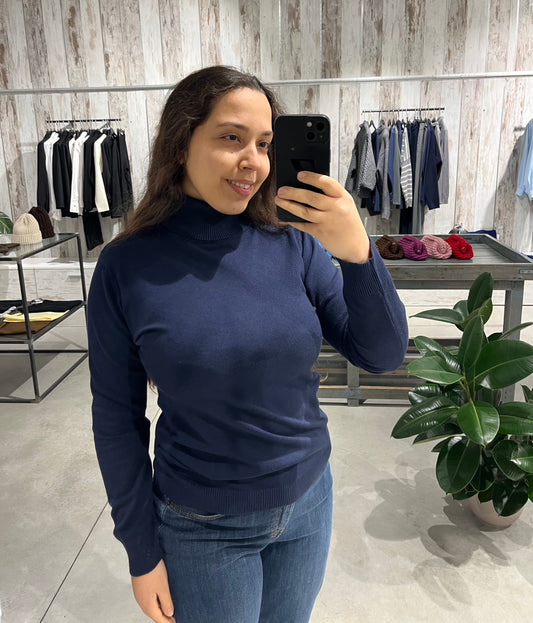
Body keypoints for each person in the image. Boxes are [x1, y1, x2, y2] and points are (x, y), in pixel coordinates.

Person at [88, 65, 408, 623]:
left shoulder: (293, 244)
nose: (253, 161)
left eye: (263, 143)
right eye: (231, 138)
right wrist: (141, 551)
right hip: (202, 524)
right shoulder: (126, 266)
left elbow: (381, 354)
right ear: (180, 144)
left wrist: (359, 254)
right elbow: (117, 420)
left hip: (308, 503)